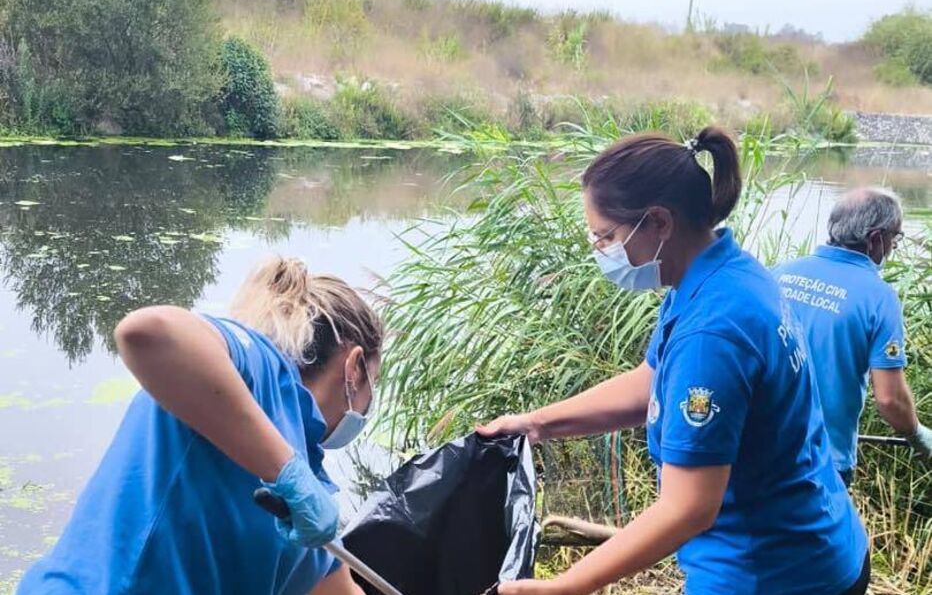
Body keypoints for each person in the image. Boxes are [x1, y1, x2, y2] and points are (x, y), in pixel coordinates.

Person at [477, 128, 869, 595]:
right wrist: (537, 424)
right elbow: (653, 381)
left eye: (606, 236)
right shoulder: (722, 274)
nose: (599, 250)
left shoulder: (712, 331)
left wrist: (566, 586)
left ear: (659, 222)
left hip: (771, 574)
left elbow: (688, 508)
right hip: (818, 540)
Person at [17, 258, 381, 595]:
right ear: (354, 368)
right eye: (373, 383)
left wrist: (299, 477)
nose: (366, 410)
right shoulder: (255, 367)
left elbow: (339, 589)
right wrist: (285, 470)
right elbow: (147, 333)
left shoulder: (313, 490)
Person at [773, 188, 932, 486]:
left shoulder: (779, 273)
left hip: (758, 448)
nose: (893, 247)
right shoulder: (879, 298)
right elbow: (889, 399)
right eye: (894, 238)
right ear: (875, 239)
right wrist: (917, 435)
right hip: (822, 462)